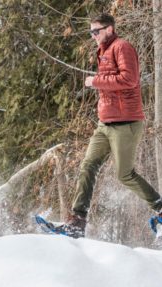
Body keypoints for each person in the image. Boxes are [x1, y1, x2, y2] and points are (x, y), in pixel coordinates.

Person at [57, 13, 162, 238]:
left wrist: (95, 81)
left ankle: (160, 208)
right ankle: (77, 221)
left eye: (97, 31)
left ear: (110, 29)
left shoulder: (122, 47)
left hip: (126, 124)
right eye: (91, 32)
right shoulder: (103, 50)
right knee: (88, 165)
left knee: (125, 174)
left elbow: (129, 80)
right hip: (105, 124)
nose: (93, 35)